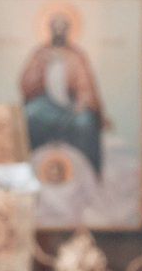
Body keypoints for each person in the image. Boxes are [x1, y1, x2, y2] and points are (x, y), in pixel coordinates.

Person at [19, 10, 106, 177]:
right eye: (56, 28)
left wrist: (83, 102)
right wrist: (41, 66)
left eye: (63, 28)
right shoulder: (39, 53)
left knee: (85, 121)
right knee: (30, 115)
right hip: (45, 105)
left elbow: (85, 85)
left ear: (67, 30)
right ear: (50, 30)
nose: (59, 31)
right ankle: (29, 170)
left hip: (71, 106)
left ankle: (90, 174)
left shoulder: (76, 55)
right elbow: (26, 85)